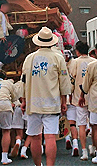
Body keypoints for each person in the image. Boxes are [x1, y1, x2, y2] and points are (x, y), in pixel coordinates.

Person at [21, 27, 71, 166]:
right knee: (50, 137)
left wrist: (24, 101)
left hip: (33, 103)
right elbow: (64, 82)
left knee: (35, 137)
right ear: (52, 42)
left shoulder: (29, 59)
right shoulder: (57, 58)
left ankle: (38, 165)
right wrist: (63, 101)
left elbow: (23, 82)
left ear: (38, 42)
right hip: (51, 103)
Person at [70, 41, 96, 160]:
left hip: (78, 97)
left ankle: (84, 151)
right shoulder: (94, 62)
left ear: (78, 51)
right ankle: (95, 148)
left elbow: (72, 78)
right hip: (93, 96)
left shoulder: (75, 62)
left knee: (81, 124)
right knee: (95, 124)